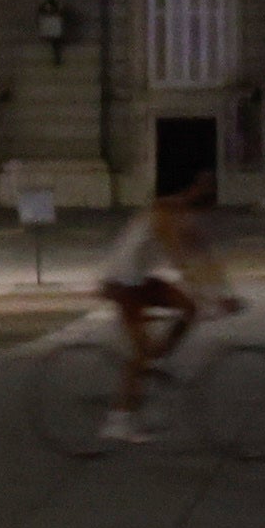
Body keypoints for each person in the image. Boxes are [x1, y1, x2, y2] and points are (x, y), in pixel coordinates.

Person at [92, 170, 234, 443]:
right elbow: (179, 258)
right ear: (189, 189)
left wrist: (224, 292)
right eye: (202, 187)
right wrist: (208, 295)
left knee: (188, 308)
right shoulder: (162, 213)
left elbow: (203, 255)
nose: (207, 193)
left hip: (141, 281)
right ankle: (117, 421)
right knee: (141, 352)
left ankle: (156, 363)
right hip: (121, 284)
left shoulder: (183, 215)